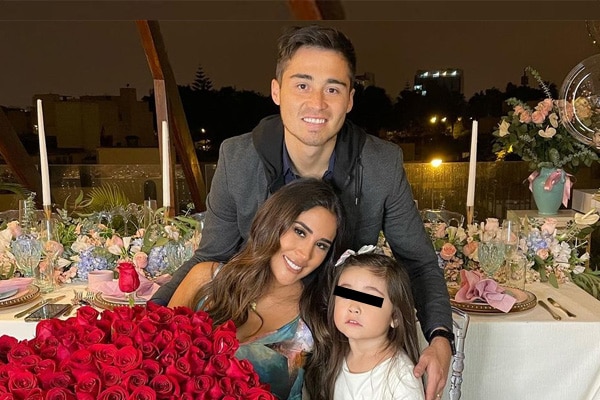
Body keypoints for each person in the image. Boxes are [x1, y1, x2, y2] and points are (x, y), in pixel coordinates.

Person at [152, 24, 453, 400]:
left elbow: (418, 262)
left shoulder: (381, 164)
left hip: (331, 329)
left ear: (350, 100)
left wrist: (440, 337)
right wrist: (145, 322)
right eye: (302, 85)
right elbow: (210, 255)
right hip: (254, 315)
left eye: (333, 89)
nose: (317, 103)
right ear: (277, 91)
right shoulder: (238, 157)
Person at [168, 178, 345, 400]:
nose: (304, 254)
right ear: (273, 222)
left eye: (321, 245)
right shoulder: (204, 280)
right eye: (300, 232)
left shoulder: (315, 317)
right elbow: (154, 353)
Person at [306, 251, 425, 400]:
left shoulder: (402, 378)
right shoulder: (335, 357)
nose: (354, 307)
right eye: (345, 293)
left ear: (395, 317)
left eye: (369, 298)